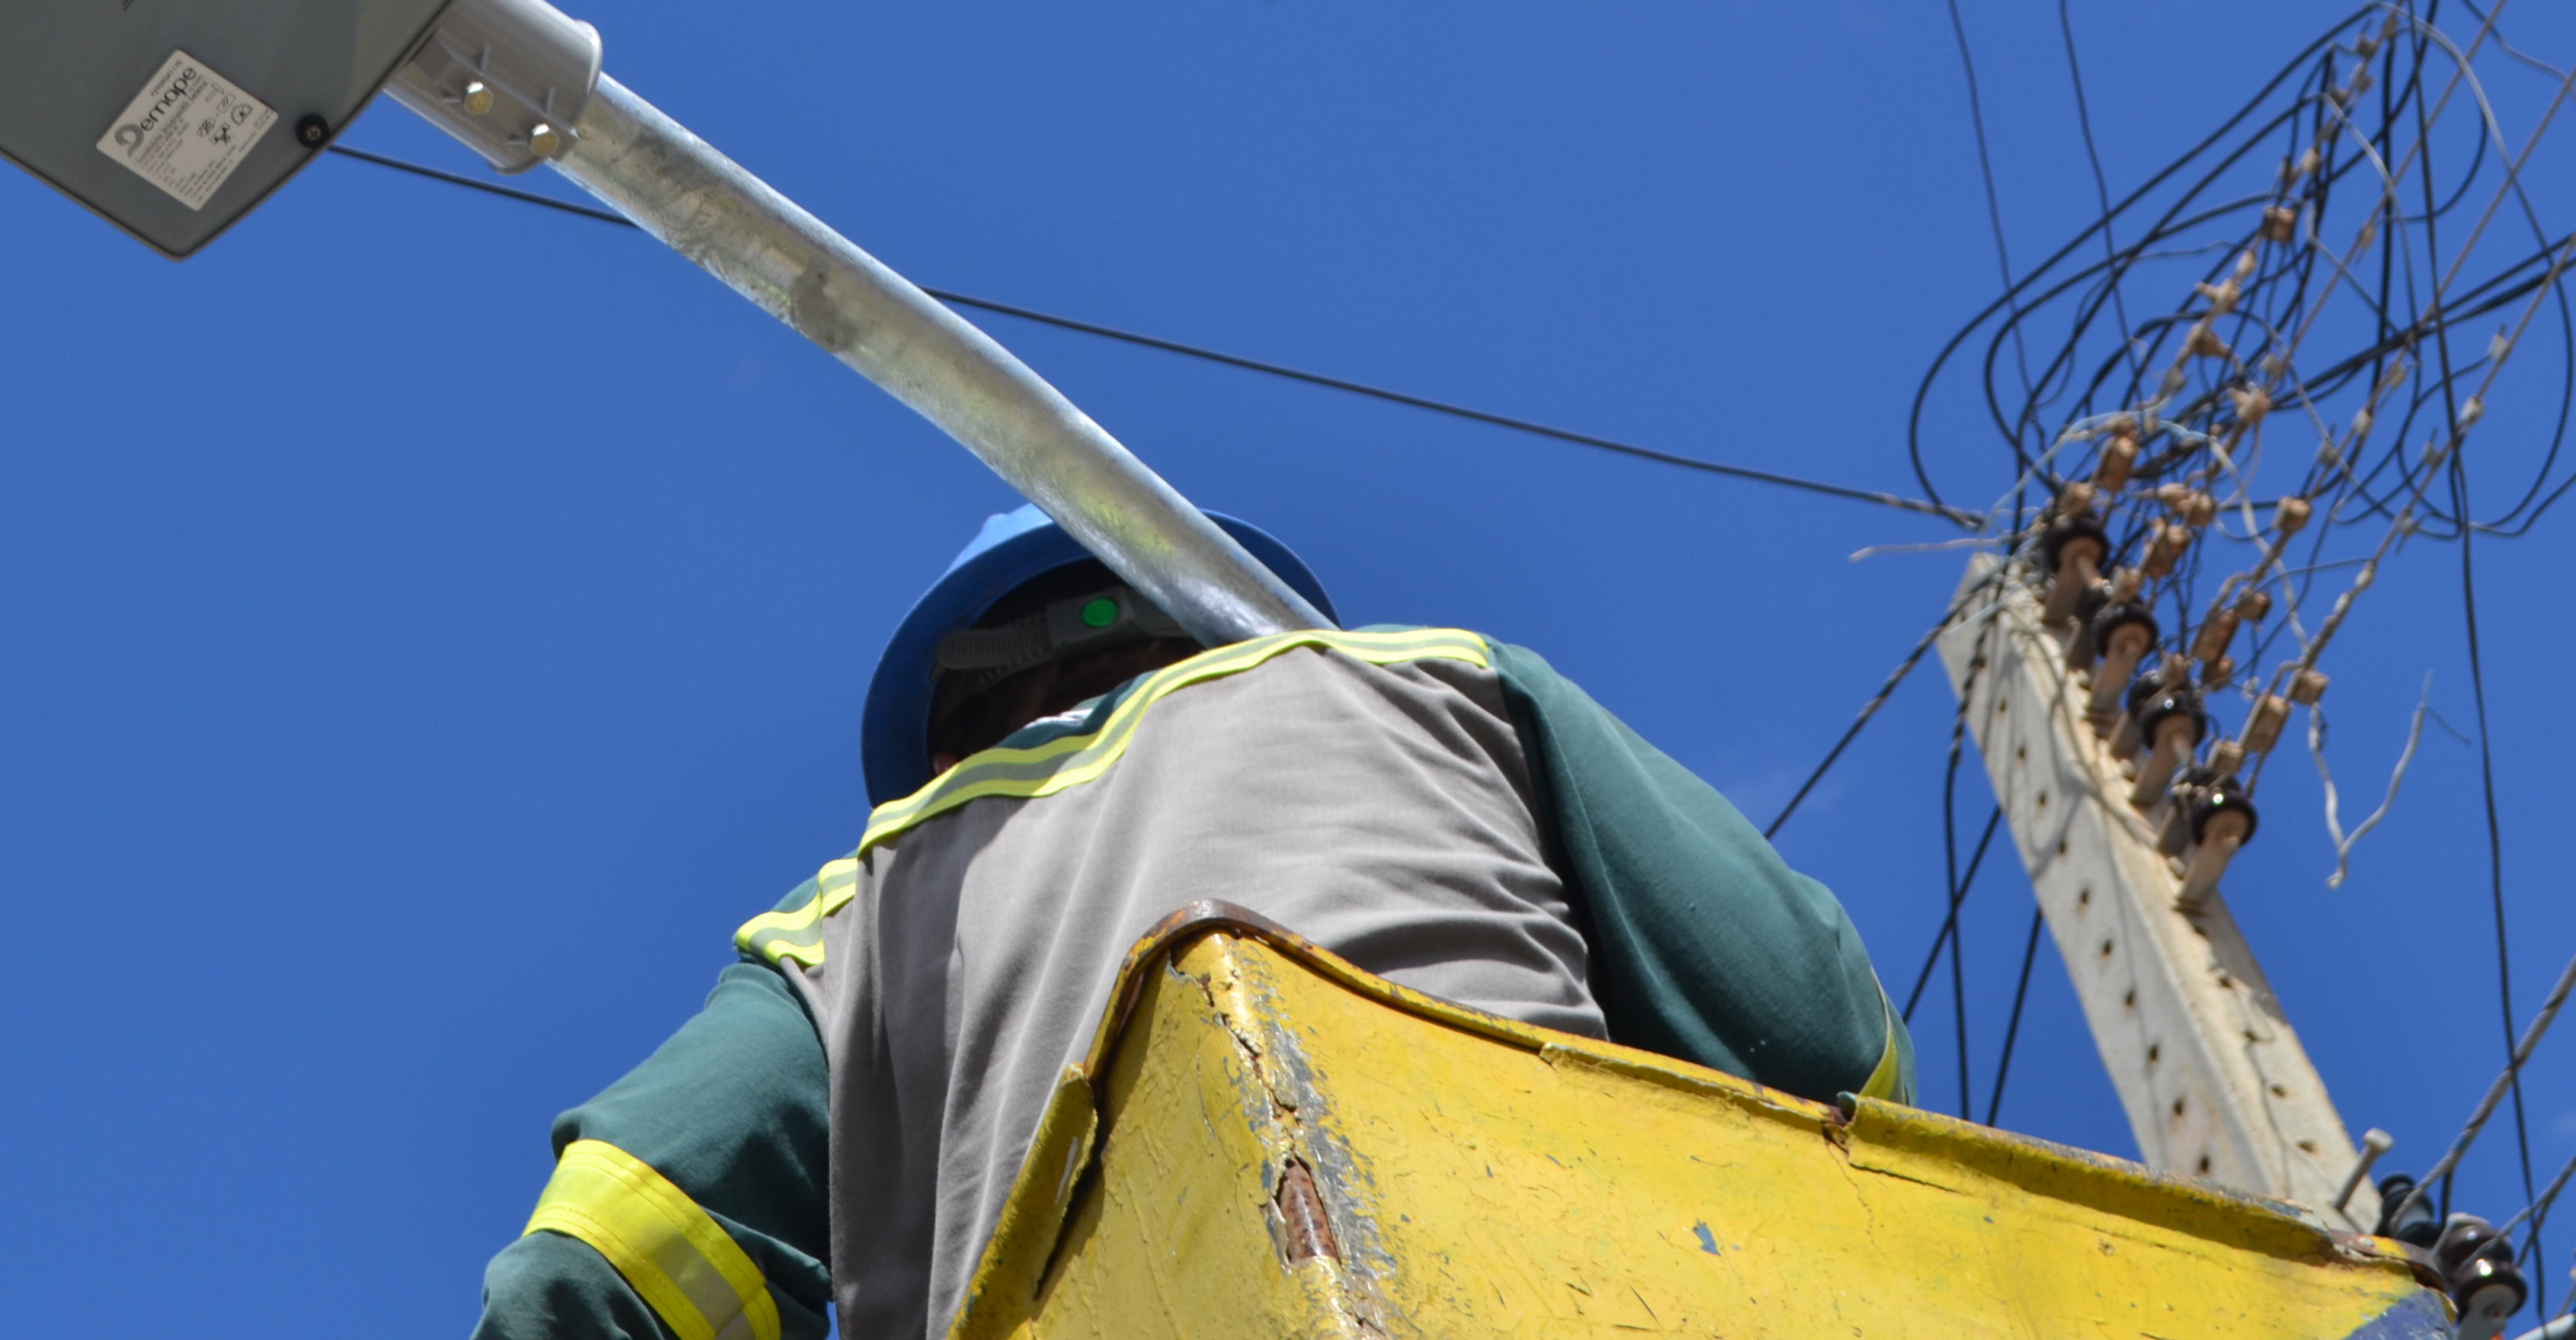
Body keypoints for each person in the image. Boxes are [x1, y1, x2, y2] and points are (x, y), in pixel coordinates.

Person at [472, 505, 1911, 1340]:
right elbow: (1826, 1043)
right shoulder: (1450, 689)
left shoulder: (865, 905)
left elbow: (592, 1266)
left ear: (946, 741)